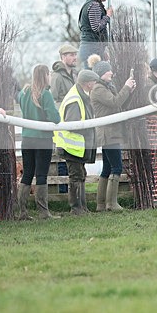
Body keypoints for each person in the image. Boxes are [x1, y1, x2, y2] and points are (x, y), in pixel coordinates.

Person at [89, 55, 136, 212]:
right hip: (108, 133)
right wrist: (126, 88)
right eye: (108, 71)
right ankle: (111, 204)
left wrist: (129, 92)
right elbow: (115, 102)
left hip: (110, 132)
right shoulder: (99, 89)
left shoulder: (106, 87)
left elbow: (119, 105)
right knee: (117, 167)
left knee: (107, 168)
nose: (111, 73)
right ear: (101, 73)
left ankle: (101, 204)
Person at [16, 64, 61, 220]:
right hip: (42, 139)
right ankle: (43, 212)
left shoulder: (24, 92)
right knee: (41, 174)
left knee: (27, 174)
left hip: (27, 138)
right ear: (46, 75)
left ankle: (22, 212)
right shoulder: (45, 94)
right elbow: (55, 118)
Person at [54, 69, 99, 215]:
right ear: (87, 83)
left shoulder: (80, 95)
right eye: (94, 81)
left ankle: (82, 207)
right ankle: (76, 208)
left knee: (80, 174)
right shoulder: (75, 99)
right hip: (71, 146)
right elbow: (72, 124)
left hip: (76, 146)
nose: (95, 84)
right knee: (76, 176)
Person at [78, 0, 112, 68]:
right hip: (91, 49)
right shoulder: (94, 5)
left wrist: (103, 50)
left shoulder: (90, 4)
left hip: (90, 48)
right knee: (92, 79)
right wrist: (107, 16)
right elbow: (96, 27)